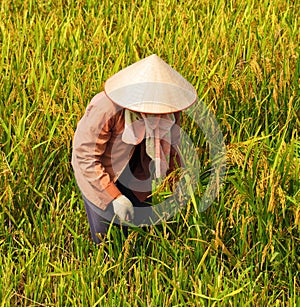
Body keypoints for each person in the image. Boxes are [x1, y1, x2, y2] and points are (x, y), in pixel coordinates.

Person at [71, 54, 197, 244]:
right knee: (106, 238)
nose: (157, 113)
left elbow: (173, 147)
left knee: (137, 233)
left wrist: (176, 183)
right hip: (101, 174)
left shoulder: (170, 110)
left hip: (138, 169)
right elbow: (84, 157)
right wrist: (113, 197)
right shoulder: (105, 108)